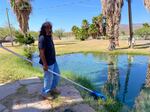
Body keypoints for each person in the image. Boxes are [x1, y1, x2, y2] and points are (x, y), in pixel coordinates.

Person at [38, 21, 60, 98]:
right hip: (47, 63)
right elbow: (41, 53)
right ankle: (45, 92)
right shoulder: (42, 38)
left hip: (53, 60)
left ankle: (53, 88)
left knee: (57, 75)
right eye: (47, 27)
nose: (49, 29)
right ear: (43, 29)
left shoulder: (49, 36)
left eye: (50, 27)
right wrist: (45, 64)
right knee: (48, 78)